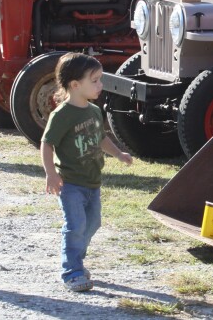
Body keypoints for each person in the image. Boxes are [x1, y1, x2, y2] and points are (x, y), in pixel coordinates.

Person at [40, 53, 133, 292]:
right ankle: (72, 271)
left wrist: (119, 154)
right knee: (75, 226)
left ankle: (76, 261)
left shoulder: (93, 111)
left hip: (93, 182)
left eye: (100, 79)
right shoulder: (62, 115)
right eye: (95, 80)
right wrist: (51, 173)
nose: (100, 85)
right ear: (75, 85)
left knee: (92, 224)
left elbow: (101, 138)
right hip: (70, 183)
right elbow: (47, 143)